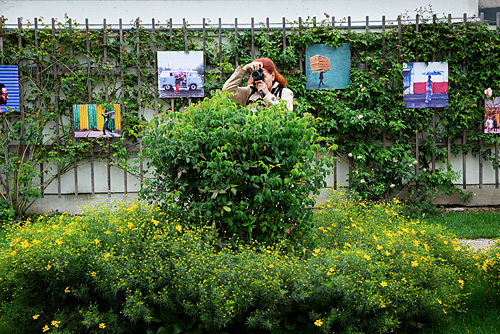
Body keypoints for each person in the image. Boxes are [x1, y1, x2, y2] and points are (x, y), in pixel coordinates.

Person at [222, 57, 293, 110]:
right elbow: (227, 90)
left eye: (263, 76)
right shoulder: (249, 92)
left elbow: (286, 114)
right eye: (256, 75)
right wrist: (245, 68)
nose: (260, 79)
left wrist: (267, 94)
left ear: (273, 76)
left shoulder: (284, 93)